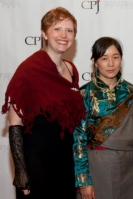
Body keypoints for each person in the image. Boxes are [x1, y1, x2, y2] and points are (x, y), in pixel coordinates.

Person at [2, 7, 86, 199]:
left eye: (69, 30)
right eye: (57, 29)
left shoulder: (71, 69)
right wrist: (22, 172)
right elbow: (15, 125)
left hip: (65, 161)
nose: (63, 35)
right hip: (37, 162)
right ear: (44, 34)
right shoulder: (28, 69)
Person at [73, 37, 133, 199]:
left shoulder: (132, 92)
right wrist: (84, 182)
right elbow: (78, 140)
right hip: (99, 166)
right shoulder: (84, 93)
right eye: (104, 58)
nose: (111, 64)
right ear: (94, 61)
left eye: (115, 57)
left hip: (131, 166)